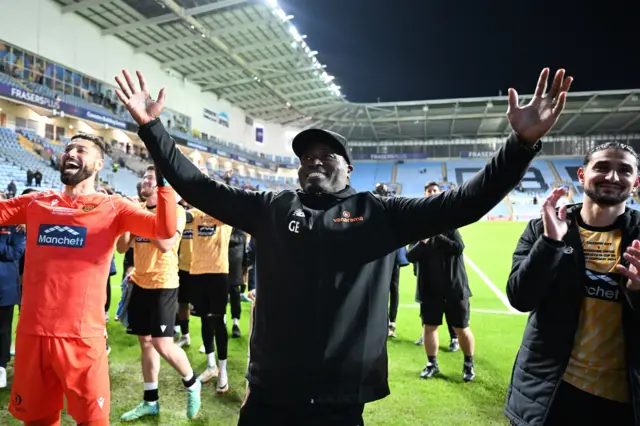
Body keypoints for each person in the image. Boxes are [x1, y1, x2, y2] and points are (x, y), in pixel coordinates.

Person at [115, 67, 572, 425]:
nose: (313, 159)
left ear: (349, 170)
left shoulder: (380, 213)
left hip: (340, 396)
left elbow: (466, 203)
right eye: (305, 156)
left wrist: (521, 144)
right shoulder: (270, 207)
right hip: (270, 388)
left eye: (326, 155)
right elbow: (197, 186)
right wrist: (153, 128)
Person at [1, 133, 176, 426]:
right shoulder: (36, 202)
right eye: (68, 148)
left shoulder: (113, 207)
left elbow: (164, 229)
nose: (70, 152)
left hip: (82, 339)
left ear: (98, 164)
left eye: (80, 149)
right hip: (33, 335)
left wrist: (165, 181)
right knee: (38, 420)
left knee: (93, 421)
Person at [505, 142, 640, 426]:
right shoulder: (543, 227)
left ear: (636, 181)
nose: (612, 177)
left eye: (624, 170)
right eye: (602, 167)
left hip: (623, 400)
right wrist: (550, 243)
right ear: (582, 175)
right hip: (551, 391)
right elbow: (520, 297)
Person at [117, 165, 201, 422]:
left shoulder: (176, 212)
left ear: (165, 188)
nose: (146, 180)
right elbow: (121, 248)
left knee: (162, 343)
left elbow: (165, 244)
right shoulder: (138, 210)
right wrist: (126, 218)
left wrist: (138, 217)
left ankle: (192, 382)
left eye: (152, 178)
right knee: (145, 343)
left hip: (164, 283)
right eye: (144, 176)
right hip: (139, 282)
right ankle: (150, 401)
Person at [407, 182, 475, 381]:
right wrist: (424, 241)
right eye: (429, 191)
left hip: (455, 288)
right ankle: (432, 364)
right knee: (429, 327)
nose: (432, 194)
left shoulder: (449, 222)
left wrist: (437, 236)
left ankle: (469, 364)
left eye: (435, 191)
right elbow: (410, 255)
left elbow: (459, 247)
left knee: (461, 328)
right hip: (429, 290)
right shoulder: (418, 225)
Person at [187, 208, 233, 392]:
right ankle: (211, 365)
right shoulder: (193, 213)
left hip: (218, 274)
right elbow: (182, 216)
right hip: (197, 274)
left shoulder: (224, 213)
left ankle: (223, 371)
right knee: (205, 320)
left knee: (218, 321)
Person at [0, 199, 26, 388]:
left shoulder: (16, 227)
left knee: (2, 330)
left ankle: (1, 367)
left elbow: (15, 252)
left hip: (5, 288)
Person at [174, 201, 194, 347]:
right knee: (182, 303)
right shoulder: (181, 216)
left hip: (203, 268)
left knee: (207, 309)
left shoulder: (205, 216)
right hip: (183, 267)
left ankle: (209, 341)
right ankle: (185, 335)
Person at [228, 227, 248, 338]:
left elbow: (240, 238)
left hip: (235, 263)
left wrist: (223, 236)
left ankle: (236, 323)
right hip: (218, 262)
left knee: (234, 293)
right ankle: (223, 322)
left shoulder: (238, 222)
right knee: (220, 294)